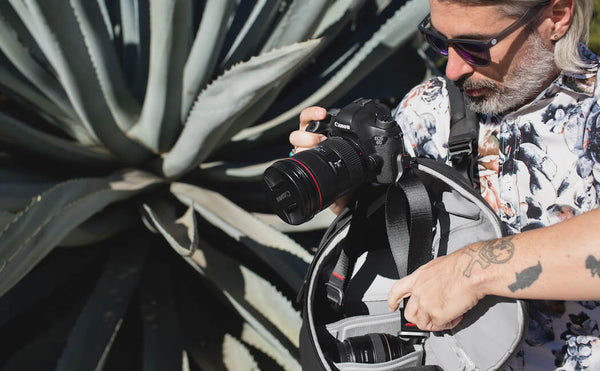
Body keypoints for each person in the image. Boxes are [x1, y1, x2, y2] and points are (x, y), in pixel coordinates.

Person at [289, 0, 600, 369]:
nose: (452, 69)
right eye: (440, 42)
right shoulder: (430, 108)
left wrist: (471, 271)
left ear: (557, 16)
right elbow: (385, 233)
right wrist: (343, 186)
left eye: (475, 47)